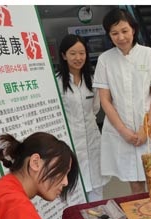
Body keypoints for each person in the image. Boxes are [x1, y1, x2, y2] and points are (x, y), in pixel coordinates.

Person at [93, 8, 151, 194]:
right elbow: (105, 100)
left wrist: (146, 129)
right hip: (121, 128)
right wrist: (124, 131)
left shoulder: (149, 54)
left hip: (149, 124)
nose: (120, 37)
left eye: (124, 31)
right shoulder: (105, 60)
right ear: (109, 35)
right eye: (114, 33)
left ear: (133, 30)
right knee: (133, 180)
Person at [56, 34, 110, 202]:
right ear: (64, 55)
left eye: (82, 53)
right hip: (69, 142)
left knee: (97, 185)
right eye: (73, 53)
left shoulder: (91, 81)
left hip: (93, 139)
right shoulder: (57, 82)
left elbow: (95, 109)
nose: (78, 58)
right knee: (74, 187)